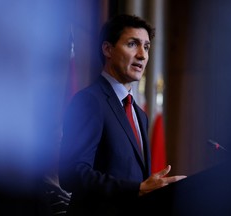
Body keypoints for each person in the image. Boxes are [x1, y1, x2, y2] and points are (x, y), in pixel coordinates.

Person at [58, 14, 187, 216]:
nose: (142, 55)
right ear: (107, 49)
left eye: (146, 47)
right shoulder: (90, 101)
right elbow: (72, 173)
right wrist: (136, 189)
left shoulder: (140, 115)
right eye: (132, 44)